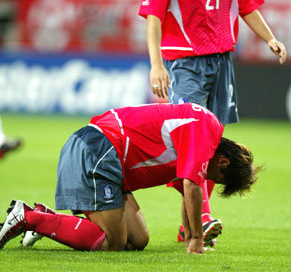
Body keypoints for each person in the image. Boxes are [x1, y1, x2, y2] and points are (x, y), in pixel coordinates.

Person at [138, 0, 287, 243]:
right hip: (183, 63)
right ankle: (202, 218)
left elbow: (247, 5)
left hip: (221, 63)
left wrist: (269, 38)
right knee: (193, 138)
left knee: (211, 142)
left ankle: (187, 225)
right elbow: (153, 17)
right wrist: (156, 65)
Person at [0, 102, 260, 254]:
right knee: (112, 243)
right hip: (99, 150)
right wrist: (196, 241)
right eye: (218, 178)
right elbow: (193, 185)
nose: (210, 181)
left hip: (108, 160)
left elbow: (187, 188)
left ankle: (47, 219)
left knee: (138, 241)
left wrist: (192, 233)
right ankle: (29, 217)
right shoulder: (207, 131)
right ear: (223, 162)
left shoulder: (204, 132)